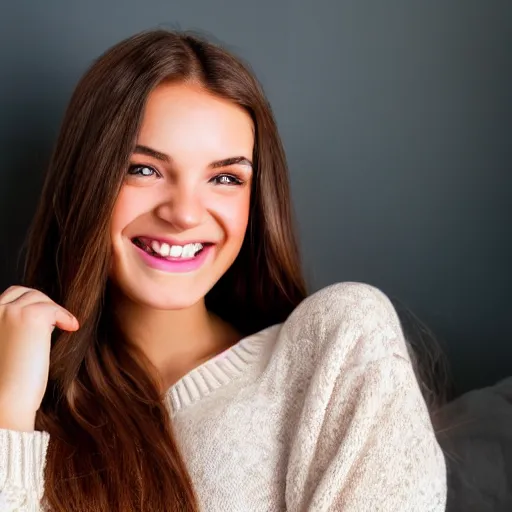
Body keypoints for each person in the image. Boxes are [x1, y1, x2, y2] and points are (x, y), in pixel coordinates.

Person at [0, 29, 446, 511]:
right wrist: (8, 415)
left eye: (225, 178)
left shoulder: (334, 345)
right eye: (144, 169)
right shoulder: (24, 413)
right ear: (85, 181)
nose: (185, 213)